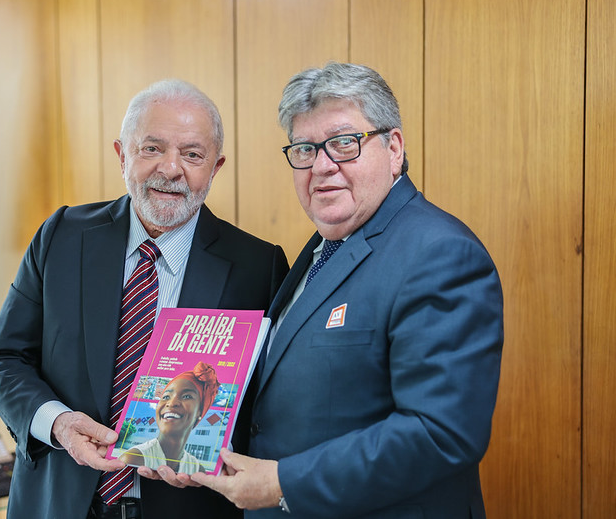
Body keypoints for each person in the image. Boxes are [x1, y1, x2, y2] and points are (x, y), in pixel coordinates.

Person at [190, 62, 504, 518]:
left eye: (343, 143)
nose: (322, 166)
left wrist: (283, 483)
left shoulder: (440, 254)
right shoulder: (325, 246)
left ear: (393, 149)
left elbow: (440, 433)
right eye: (305, 148)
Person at [0, 79, 288, 519]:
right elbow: (1, 360)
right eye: (152, 148)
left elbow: (268, 406)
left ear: (215, 167)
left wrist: (217, 450)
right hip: (56, 502)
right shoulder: (62, 236)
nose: (171, 169)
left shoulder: (258, 266)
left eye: (192, 154)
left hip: (189, 506)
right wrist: (58, 423)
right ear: (122, 155)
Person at [120, 361, 220, 474]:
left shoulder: (196, 469)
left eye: (187, 396)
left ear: (199, 412)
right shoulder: (134, 458)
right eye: (166, 396)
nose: (171, 403)